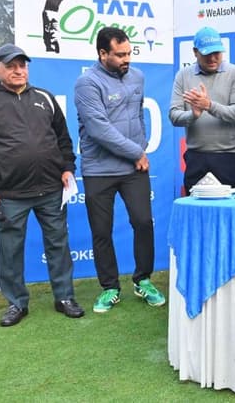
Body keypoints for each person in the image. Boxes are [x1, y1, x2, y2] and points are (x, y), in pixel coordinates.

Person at [0, 43, 84, 326]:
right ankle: (16, 303)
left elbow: (64, 140)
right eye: (11, 66)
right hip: (9, 194)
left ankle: (64, 297)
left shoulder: (45, 97)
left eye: (23, 65)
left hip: (51, 190)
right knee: (10, 251)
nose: (19, 70)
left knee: (58, 244)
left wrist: (68, 168)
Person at [74, 27, 164, 313]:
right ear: (103, 54)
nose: (127, 59)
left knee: (143, 222)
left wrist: (141, 145)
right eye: (120, 54)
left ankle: (143, 280)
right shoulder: (87, 83)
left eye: (129, 53)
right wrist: (137, 152)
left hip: (132, 168)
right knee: (101, 230)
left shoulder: (137, 76)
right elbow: (99, 129)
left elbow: (138, 114)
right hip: (98, 169)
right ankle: (110, 287)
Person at [169, 26, 235, 192]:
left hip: (229, 156)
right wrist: (193, 115)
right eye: (207, 54)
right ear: (195, 52)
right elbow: (174, 116)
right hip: (196, 157)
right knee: (195, 205)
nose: (212, 58)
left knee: (227, 205)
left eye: (216, 53)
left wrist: (209, 106)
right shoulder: (183, 75)